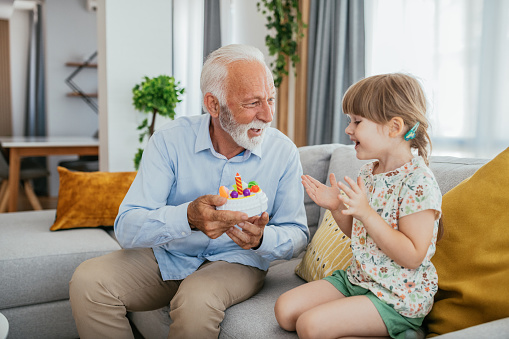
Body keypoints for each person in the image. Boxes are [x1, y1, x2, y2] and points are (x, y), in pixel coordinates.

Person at [69, 44, 309, 339]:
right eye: (253, 103)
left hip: (237, 261)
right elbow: (128, 227)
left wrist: (262, 239)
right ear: (213, 104)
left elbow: (297, 232)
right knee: (89, 280)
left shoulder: (283, 152)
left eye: (270, 99)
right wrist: (188, 217)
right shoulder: (169, 142)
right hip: (171, 253)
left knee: (196, 299)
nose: (268, 115)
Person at [274, 73, 443, 339]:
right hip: (359, 279)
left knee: (310, 326)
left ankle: (406, 330)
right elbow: (359, 235)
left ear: (394, 127)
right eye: (349, 120)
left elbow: (412, 255)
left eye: (357, 121)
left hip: (397, 295)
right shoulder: (368, 173)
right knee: (285, 310)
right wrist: (336, 208)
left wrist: (366, 212)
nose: (348, 129)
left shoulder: (418, 182)